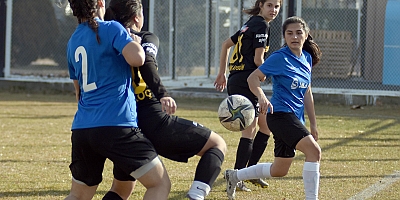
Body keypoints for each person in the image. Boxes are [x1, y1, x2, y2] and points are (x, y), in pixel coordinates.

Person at [102, 0, 227, 199]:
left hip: (123, 123)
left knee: (121, 188)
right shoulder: (144, 37)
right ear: (137, 17)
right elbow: (147, 62)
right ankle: (196, 195)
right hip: (152, 119)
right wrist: (163, 94)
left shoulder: (104, 40)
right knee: (217, 144)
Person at [65, 0, 171, 199]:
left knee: (79, 195)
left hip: (82, 129)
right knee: (159, 183)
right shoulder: (111, 28)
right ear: (99, 3)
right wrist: (135, 43)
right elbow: (138, 59)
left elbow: (79, 93)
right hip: (117, 125)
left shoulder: (72, 41)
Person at [223, 16, 322, 200]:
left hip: (294, 117)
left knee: (279, 170)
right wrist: (261, 97)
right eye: (289, 33)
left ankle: (234, 176)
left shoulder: (307, 58)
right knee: (314, 152)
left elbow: (307, 92)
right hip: (279, 115)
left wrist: (313, 124)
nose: (294, 37)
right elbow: (252, 78)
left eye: (299, 33)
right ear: (284, 36)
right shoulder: (279, 57)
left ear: (306, 35)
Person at [214, 0, 281, 191]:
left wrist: (222, 73)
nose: (273, 10)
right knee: (250, 130)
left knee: (265, 126)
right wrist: (274, 74)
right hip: (246, 81)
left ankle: (248, 173)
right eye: (269, 5)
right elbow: (258, 59)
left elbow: (226, 44)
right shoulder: (261, 24)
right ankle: (237, 177)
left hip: (238, 78)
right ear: (260, 5)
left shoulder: (250, 23)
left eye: (277, 6)